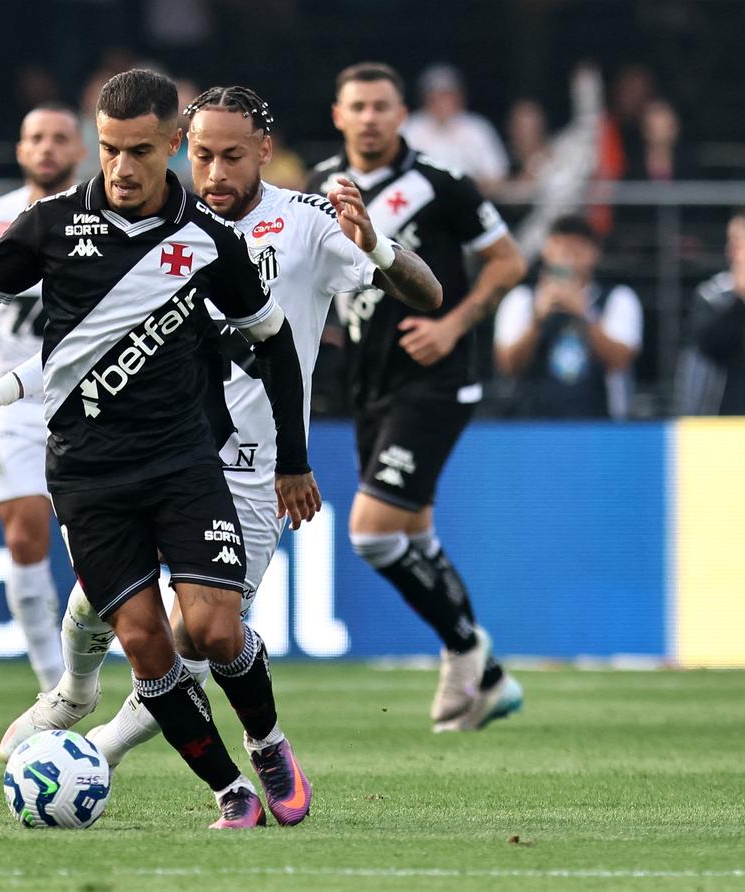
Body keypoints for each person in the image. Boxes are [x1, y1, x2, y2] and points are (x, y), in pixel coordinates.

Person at [0, 85, 441, 780]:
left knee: (199, 635)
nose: (216, 173)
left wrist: (375, 245)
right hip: (156, 447)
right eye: (203, 156)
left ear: (265, 150)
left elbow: (428, 293)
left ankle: (90, 757)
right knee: (103, 602)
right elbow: (90, 347)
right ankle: (74, 691)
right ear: (180, 149)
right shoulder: (156, 225)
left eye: (232, 156)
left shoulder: (310, 222)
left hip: (253, 471)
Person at [0, 69, 319, 829]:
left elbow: (276, 344)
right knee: (144, 645)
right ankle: (230, 791)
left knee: (219, 628)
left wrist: (293, 458)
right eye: (108, 149)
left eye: (138, 151)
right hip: (88, 475)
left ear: (172, 145)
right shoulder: (52, 224)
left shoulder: (209, 242)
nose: (121, 169)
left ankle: (266, 740)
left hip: (184, 463)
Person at [309, 62, 528, 732]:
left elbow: (509, 261)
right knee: (413, 535)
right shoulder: (322, 185)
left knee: (372, 536)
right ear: (338, 116)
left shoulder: (441, 184)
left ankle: (467, 650)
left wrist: (452, 323)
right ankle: (487, 680)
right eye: (358, 106)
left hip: (436, 379)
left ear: (402, 115)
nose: (370, 117)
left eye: (382, 105)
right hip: (369, 386)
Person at [0, 104, 87, 691]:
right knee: (24, 536)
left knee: (95, 550)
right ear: (20, 149)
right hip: (11, 400)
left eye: (59, 138)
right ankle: (51, 685)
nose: (47, 148)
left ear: (80, 150)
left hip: (91, 395)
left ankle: (114, 672)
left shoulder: (99, 208)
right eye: (36, 138)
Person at [494, 216, 642, 419]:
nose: (568, 256)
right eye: (561, 246)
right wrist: (537, 318)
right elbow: (508, 366)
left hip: (600, 423)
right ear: (546, 249)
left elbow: (620, 361)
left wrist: (583, 313)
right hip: (531, 425)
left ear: (594, 253)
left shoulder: (618, 297)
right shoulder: (521, 299)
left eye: (578, 248)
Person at [676, 209, 745, 415]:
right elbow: (707, 347)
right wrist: (740, 300)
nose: (737, 253)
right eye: (732, 243)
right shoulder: (713, 293)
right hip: (724, 420)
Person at [402, 64, 509, 193]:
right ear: (425, 98)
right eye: (437, 95)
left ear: (460, 96)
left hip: (467, 202)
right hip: (421, 203)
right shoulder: (410, 127)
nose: (443, 102)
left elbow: (496, 176)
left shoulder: (477, 128)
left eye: (448, 95)